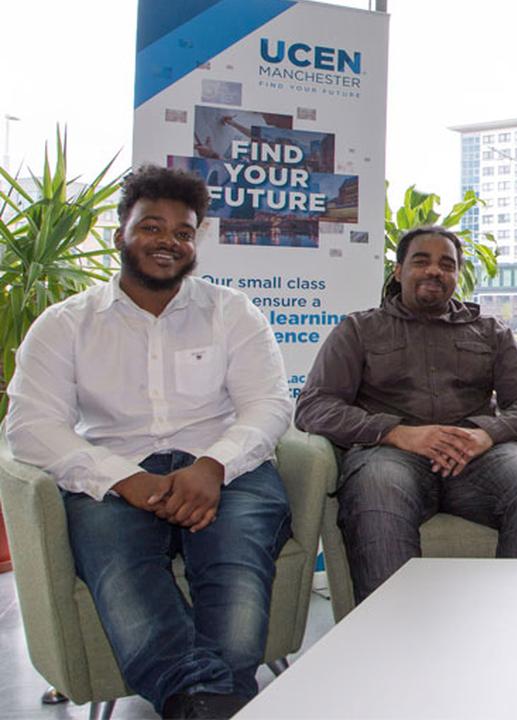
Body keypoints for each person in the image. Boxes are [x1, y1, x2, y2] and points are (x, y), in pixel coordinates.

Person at [5, 165, 293, 719]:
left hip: (229, 472)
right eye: (151, 227)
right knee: (123, 574)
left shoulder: (233, 314)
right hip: (115, 475)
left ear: (196, 242)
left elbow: (269, 406)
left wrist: (213, 467)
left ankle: (200, 703)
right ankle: (213, 702)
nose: (168, 242)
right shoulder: (65, 324)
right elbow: (31, 427)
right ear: (121, 234)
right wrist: (124, 480)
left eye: (183, 232)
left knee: (234, 578)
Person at [295, 225, 517, 604]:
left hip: (479, 459)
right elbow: (314, 406)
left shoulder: (490, 331)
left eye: (447, 264)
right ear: (398, 270)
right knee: (378, 488)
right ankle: (393, 636)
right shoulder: (359, 329)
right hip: (390, 456)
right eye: (421, 261)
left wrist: (485, 434)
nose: (434, 271)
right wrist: (396, 432)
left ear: (458, 274)